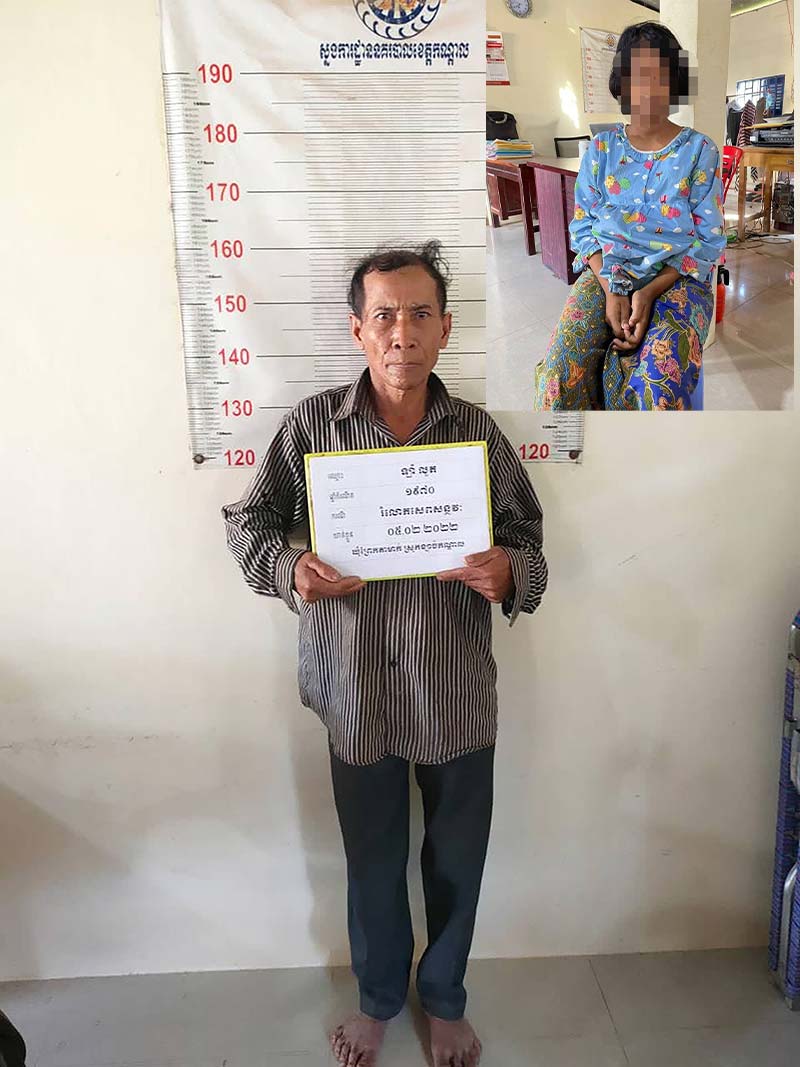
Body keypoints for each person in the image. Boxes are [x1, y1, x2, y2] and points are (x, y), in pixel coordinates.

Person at [222, 242, 547, 1067]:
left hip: (454, 686)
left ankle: (443, 997)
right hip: (354, 687)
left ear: (445, 330)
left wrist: (511, 569)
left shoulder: (476, 433)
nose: (403, 332)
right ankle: (377, 997)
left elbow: (528, 534)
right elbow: (249, 521)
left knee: (456, 858)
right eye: (385, 316)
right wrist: (292, 567)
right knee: (371, 858)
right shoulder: (312, 428)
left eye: (420, 314)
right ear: (358, 331)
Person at [534, 22, 727, 411]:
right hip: (606, 273)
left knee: (656, 388)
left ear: (675, 82)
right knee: (559, 375)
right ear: (619, 83)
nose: (648, 88)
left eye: (660, 74)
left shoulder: (699, 150)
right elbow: (583, 227)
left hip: (677, 277)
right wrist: (611, 288)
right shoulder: (601, 150)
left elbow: (708, 240)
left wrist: (648, 291)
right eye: (637, 74)